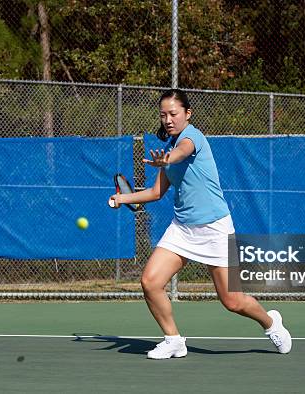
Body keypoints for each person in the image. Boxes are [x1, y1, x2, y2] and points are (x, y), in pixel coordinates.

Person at [109, 89, 291, 359]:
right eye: (163, 115)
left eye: (174, 113)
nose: (168, 119)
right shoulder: (168, 151)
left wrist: (168, 159)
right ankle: (173, 340)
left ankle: (271, 322)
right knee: (150, 281)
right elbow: (156, 193)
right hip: (182, 229)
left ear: (187, 114)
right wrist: (124, 197)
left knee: (232, 301)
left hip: (215, 228)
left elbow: (182, 152)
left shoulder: (192, 138)